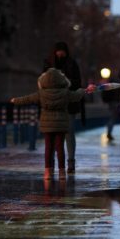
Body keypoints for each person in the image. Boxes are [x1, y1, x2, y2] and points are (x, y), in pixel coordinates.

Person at [10, 68, 95, 180]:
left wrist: (15, 100)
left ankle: (48, 172)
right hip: (61, 124)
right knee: (60, 147)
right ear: (61, 80)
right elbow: (76, 95)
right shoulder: (65, 93)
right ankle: (61, 172)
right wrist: (85, 90)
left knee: (48, 148)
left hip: (47, 124)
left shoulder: (41, 93)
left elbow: (28, 99)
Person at [43, 41, 82, 173]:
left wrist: (65, 82)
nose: (60, 54)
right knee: (55, 135)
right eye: (58, 51)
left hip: (69, 105)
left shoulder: (72, 63)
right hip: (55, 106)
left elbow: (78, 82)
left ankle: (71, 162)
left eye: (62, 51)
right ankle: (53, 163)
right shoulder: (48, 64)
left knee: (69, 133)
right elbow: (43, 82)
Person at [101, 69, 120, 141]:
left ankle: (110, 132)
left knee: (114, 118)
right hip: (116, 102)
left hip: (111, 102)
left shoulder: (114, 80)